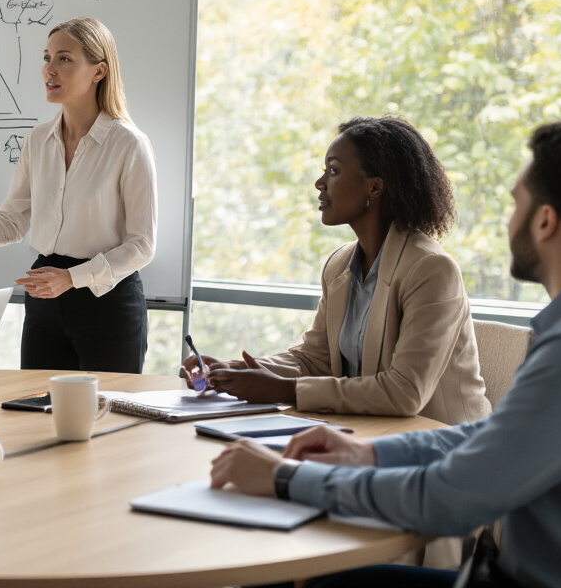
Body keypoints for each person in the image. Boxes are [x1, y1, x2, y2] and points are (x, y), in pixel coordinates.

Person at [209, 119, 561, 588]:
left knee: (309, 579)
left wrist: (286, 479)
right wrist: (368, 452)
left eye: (515, 203)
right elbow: (500, 435)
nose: (507, 219)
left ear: (545, 220)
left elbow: (449, 497)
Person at [184, 116, 489, 425]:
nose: (320, 183)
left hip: (442, 447)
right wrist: (235, 371)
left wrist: (285, 390)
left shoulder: (431, 270)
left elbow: (405, 391)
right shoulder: (340, 265)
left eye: (333, 170)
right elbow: (314, 360)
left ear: (375, 186)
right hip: (366, 433)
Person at [0, 17, 157, 373]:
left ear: (99, 71)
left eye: (64, 59)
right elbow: (13, 223)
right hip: (45, 297)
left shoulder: (128, 144)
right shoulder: (37, 141)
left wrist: (71, 278)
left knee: (106, 417)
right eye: (47, 57)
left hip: (106, 301)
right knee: (35, 411)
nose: (49, 69)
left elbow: (141, 245)